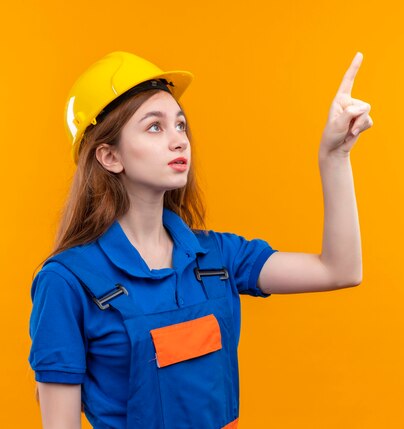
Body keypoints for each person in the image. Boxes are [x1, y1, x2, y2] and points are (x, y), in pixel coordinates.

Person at [28, 50, 373, 429]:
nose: (179, 141)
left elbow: (339, 270)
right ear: (110, 156)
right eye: (155, 127)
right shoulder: (67, 282)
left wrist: (334, 157)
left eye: (180, 125)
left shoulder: (217, 256)